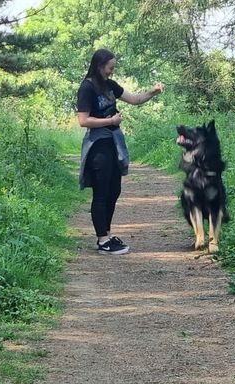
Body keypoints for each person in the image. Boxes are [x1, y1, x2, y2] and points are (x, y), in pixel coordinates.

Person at [76, 48, 164, 255]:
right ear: (99, 66)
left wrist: (153, 92)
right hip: (98, 145)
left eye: (113, 68)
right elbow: (83, 120)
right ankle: (102, 240)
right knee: (101, 193)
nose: (112, 72)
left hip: (113, 144)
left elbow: (135, 99)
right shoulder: (86, 88)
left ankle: (106, 234)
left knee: (114, 191)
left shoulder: (110, 86)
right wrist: (110, 121)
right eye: (110, 68)